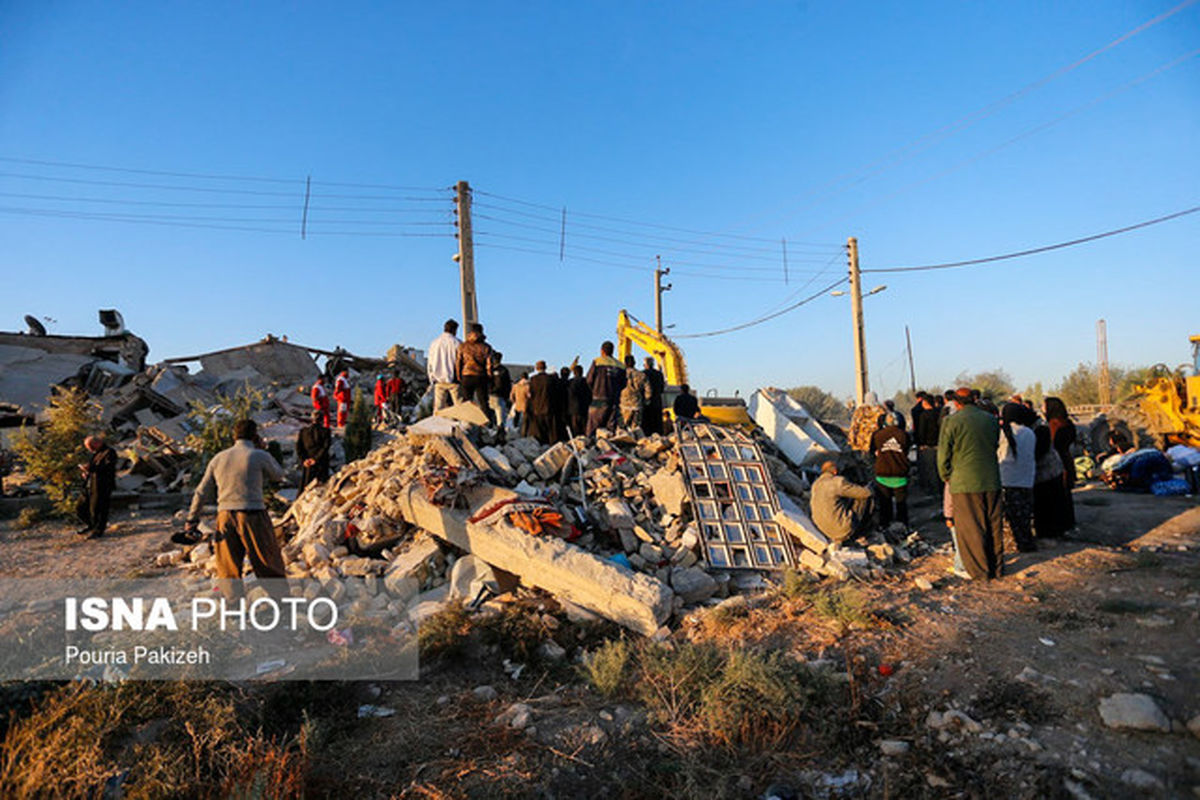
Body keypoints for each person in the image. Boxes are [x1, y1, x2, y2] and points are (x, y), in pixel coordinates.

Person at [184, 419, 286, 586]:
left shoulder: (218, 458)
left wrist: (191, 520)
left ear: (234, 436)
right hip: (253, 515)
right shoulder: (259, 455)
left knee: (228, 569)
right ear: (255, 436)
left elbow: (201, 491)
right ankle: (281, 605)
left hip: (224, 517)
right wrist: (263, 450)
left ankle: (233, 609)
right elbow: (279, 475)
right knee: (267, 563)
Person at [938, 388, 1004, 580]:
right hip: (991, 479)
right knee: (994, 526)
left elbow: (943, 456)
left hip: (965, 483)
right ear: (974, 400)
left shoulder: (951, 422)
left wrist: (947, 476)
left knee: (972, 528)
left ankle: (979, 572)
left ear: (957, 403)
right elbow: (993, 446)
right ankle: (997, 568)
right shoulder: (990, 420)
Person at [998, 402, 1037, 552]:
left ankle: (1012, 545)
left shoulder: (1001, 434)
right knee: (1024, 517)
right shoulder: (1029, 432)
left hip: (1006, 480)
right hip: (1026, 480)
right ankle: (1026, 542)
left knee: (1009, 518)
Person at [811, 460, 874, 544]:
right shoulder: (838, 482)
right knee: (864, 498)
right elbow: (864, 493)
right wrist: (869, 488)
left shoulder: (815, 484)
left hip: (824, 530)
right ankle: (860, 532)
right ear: (835, 471)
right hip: (840, 530)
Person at [869, 412, 910, 530]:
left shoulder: (878, 435)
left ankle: (885, 525)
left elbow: (873, 451)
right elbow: (906, 451)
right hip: (900, 473)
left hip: (883, 473)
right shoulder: (904, 435)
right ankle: (903, 525)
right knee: (901, 503)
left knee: (885, 503)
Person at [1043, 397, 1077, 531]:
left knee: (1059, 494)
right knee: (1066, 494)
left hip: (1058, 461)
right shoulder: (1069, 423)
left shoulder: (1054, 424)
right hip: (1067, 458)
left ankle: (1060, 525)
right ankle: (1069, 523)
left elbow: (1051, 442)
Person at [75, 434, 116, 539]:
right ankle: (91, 525)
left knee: (98, 509)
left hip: (103, 485)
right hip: (91, 484)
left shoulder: (109, 452)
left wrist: (91, 468)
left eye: (91, 447)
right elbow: (94, 468)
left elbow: (108, 468)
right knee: (81, 507)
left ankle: (98, 531)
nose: (90, 449)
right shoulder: (96, 453)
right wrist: (86, 472)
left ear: (97, 443)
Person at [455, 323, 495, 424]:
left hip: (466, 375)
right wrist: (490, 377)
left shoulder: (463, 346)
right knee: (483, 402)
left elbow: (458, 362)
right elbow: (489, 365)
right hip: (481, 376)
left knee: (467, 402)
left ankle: (466, 423)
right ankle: (487, 424)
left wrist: (459, 376)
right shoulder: (486, 347)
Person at [1032, 425, 1068, 539]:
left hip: (1044, 476)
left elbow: (1038, 454)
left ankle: (1046, 534)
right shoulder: (1042, 430)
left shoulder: (1038, 433)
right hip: (1053, 474)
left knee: (1044, 508)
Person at [585, 341, 626, 436]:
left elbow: (589, 380)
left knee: (593, 429)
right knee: (610, 430)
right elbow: (623, 384)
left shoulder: (597, 362)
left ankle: (591, 447)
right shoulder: (620, 365)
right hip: (614, 401)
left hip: (599, 399)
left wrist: (595, 390)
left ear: (602, 351)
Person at [427, 319, 461, 413]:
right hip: (453, 380)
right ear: (454, 330)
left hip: (438, 380)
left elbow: (430, 362)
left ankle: (436, 426)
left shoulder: (434, 343)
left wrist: (431, 378)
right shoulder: (457, 343)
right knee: (460, 407)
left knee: (438, 408)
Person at [915, 392, 942, 495]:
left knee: (930, 469)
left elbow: (921, 431)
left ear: (925, 403)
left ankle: (933, 489)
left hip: (928, 445)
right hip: (939, 443)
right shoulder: (938, 413)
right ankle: (940, 488)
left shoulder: (923, 415)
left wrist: (921, 443)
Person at [296, 410, 331, 488]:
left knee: (306, 485)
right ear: (322, 420)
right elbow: (325, 447)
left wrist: (304, 459)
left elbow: (299, 447)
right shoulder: (326, 431)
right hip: (321, 464)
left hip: (307, 464)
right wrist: (315, 459)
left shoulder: (303, 432)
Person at [526, 361, 557, 445]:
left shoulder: (533, 379)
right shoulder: (550, 379)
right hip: (548, 407)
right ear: (545, 367)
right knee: (550, 429)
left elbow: (530, 394)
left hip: (537, 407)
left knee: (539, 429)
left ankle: (541, 444)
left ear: (536, 368)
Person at [619, 355, 650, 431]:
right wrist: (646, 401)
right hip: (637, 405)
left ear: (625, 363)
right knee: (636, 429)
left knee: (622, 429)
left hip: (624, 405)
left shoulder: (620, 374)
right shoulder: (641, 375)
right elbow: (648, 390)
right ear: (634, 363)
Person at [566, 364, 591, 437]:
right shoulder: (586, 382)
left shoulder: (570, 382)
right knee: (584, 429)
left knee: (575, 430)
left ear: (574, 372)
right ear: (582, 372)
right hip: (584, 409)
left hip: (573, 409)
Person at [642, 357, 665, 435]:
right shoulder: (659, 374)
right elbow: (662, 389)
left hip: (646, 403)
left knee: (647, 426)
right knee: (657, 424)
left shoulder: (643, 374)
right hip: (657, 402)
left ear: (645, 364)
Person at [489, 352, 512, 429]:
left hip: (489, 395)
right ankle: (500, 434)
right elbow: (508, 385)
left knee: (489, 418)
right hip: (500, 396)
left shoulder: (489, 369)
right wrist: (507, 397)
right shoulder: (504, 370)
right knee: (500, 419)